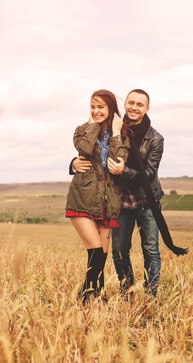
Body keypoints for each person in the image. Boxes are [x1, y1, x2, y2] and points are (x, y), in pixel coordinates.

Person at [72, 89, 184, 297]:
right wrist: (73, 163)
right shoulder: (117, 128)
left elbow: (149, 172)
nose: (134, 107)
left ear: (147, 109)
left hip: (146, 200)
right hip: (120, 200)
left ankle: (150, 294)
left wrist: (124, 171)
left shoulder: (155, 139)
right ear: (124, 105)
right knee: (119, 251)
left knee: (150, 249)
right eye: (131, 102)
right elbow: (98, 156)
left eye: (139, 104)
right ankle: (127, 292)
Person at [65, 89, 130, 302]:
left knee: (101, 256)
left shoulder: (122, 134)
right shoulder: (82, 130)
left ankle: (96, 301)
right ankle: (84, 300)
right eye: (92, 107)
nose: (96, 111)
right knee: (95, 251)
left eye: (101, 107)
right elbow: (83, 148)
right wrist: (93, 125)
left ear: (111, 108)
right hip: (83, 198)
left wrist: (117, 133)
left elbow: (118, 161)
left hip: (108, 202)